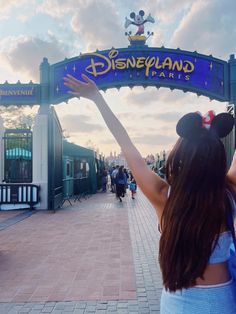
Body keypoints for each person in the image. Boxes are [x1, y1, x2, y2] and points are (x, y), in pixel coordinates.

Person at [64, 73, 236, 313]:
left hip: (178, 301)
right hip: (222, 299)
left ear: (179, 157)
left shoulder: (164, 196)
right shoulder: (228, 192)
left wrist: (97, 98)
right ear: (219, 158)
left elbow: (128, 148)